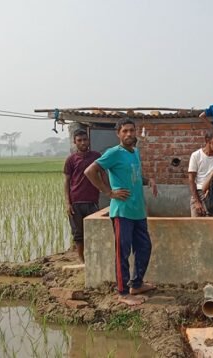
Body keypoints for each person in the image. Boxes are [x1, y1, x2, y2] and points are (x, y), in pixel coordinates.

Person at [84, 118, 158, 306]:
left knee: (144, 247)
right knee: (122, 252)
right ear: (118, 133)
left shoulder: (135, 152)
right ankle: (123, 293)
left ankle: (136, 284)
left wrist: (148, 180)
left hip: (138, 210)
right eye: (124, 131)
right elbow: (90, 171)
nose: (128, 134)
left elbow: (135, 176)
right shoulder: (113, 153)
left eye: (131, 131)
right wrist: (108, 192)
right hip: (122, 212)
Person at [64, 129, 102, 263]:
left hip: (92, 202)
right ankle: (82, 260)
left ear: (88, 141)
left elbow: (103, 175)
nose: (83, 143)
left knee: (95, 232)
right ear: (75, 142)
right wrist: (68, 203)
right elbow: (67, 182)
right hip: (76, 202)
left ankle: (94, 258)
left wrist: (108, 190)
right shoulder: (71, 160)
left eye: (85, 140)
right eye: (79, 140)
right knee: (78, 234)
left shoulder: (97, 156)